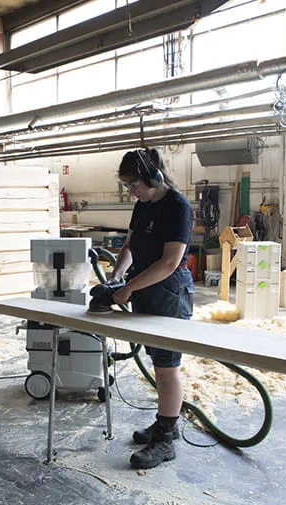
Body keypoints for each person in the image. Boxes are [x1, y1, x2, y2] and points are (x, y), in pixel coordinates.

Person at [109, 147, 194, 470]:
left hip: (169, 292)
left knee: (166, 366)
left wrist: (130, 287)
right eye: (127, 186)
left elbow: (170, 262)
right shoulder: (142, 206)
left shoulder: (177, 208)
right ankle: (162, 423)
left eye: (134, 185)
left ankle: (166, 439)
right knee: (157, 361)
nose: (131, 191)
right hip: (143, 288)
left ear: (155, 178)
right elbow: (130, 246)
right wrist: (117, 277)